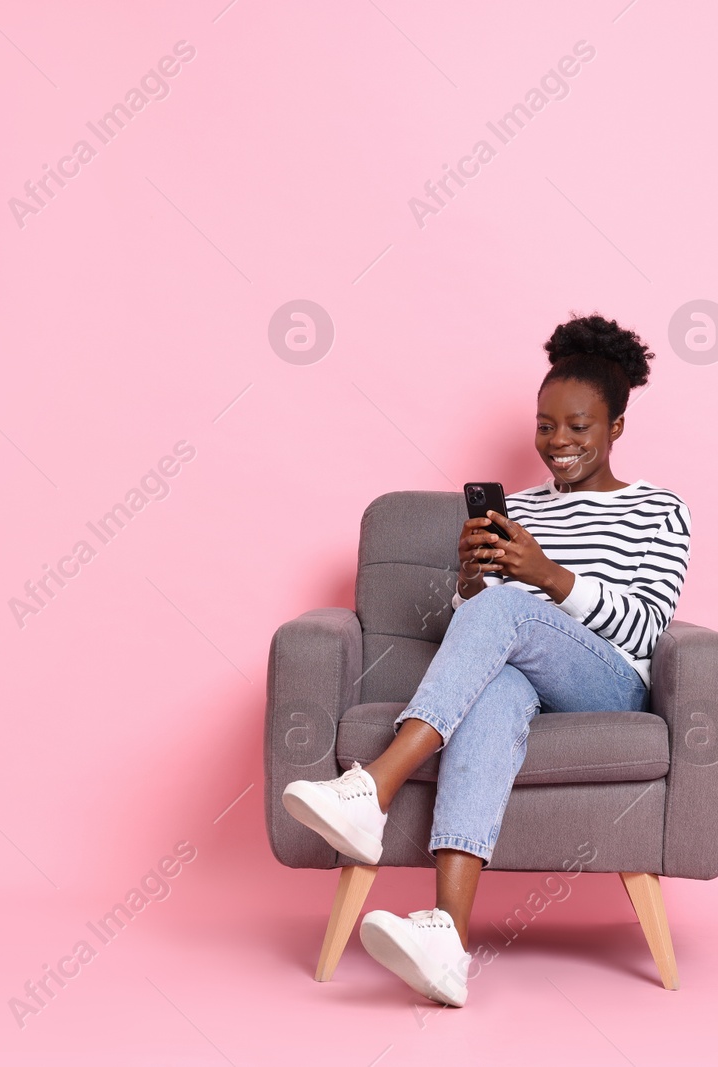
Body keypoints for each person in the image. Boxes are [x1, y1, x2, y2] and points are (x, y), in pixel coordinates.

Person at [282, 313, 692, 1006]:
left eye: (578, 426)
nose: (556, 442)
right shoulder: (522, 509)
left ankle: (372, 788)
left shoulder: (659, 509)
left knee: (507, 613)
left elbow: (648, 624)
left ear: (616, 427)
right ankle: (447, 941)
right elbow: (495, 627)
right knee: (495, 686)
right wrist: (475, 583)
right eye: (545, 425)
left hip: (609, 681)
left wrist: (547, 575)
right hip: (525, 668)